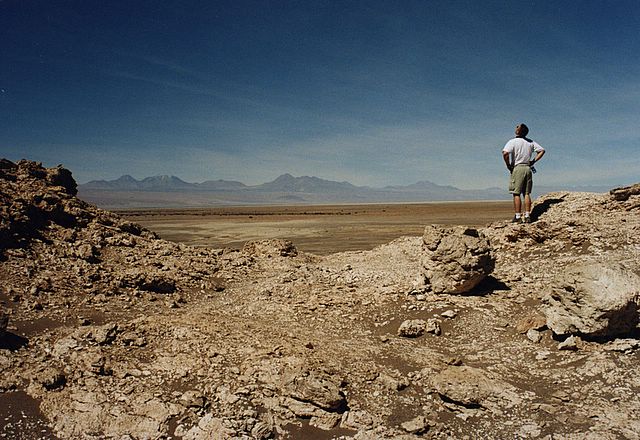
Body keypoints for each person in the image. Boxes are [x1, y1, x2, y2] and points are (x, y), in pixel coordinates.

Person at [502, 123, 545, 223]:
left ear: (519, 131)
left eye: (517, 127)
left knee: (516, 193)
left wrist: (508, 165)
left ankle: (517, 217)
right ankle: (527, 215)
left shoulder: (513, 142)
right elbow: (542, 151)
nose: (516, 127)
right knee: (526, 193)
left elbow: (505, 153)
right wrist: (533, 161)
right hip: (527, 168)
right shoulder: (530, 142)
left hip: (518, 168)